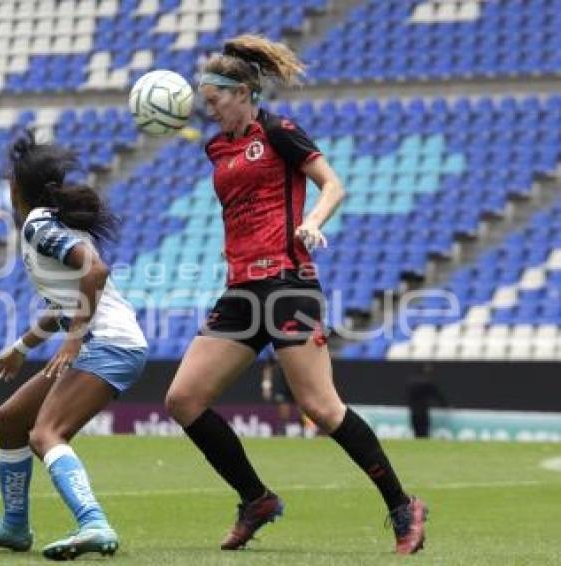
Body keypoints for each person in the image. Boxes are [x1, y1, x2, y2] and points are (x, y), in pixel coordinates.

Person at [163, 35, 428, 554]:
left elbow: (332, 184)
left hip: (288, 284)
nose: (208, 109)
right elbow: (241, 205)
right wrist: (233, 248)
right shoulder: (216, 146)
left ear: (241, 91)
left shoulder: (279, 130)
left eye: (214, 100)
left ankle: (402, 506)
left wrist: (311, 221)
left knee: (322, 408)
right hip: (241, 289)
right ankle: (256, 498)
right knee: (183, 400)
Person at [0, 132, 148, 560]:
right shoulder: (46, 225)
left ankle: (93, 522)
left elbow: (95, 272)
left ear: (15, 188)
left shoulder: (39, 225)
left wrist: (74, 339)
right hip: (107, 342)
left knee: (46, 433)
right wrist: (23, 346)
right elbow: (63, 300)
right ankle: (13, 526)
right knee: (10, 420)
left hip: (107, 344)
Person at [260, 347, 317, 438]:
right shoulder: (275, 350)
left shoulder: (298, 348)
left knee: (302, 409)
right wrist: (266, 386)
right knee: (283, 411)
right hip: (282, 385)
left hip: (297, 383)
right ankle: (282, 433)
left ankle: (304, 432)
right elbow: (268, 368)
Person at [407, 362, 447, 438]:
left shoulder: (411, 382)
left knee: (417, 432)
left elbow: (408, 396)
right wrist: (445, 405)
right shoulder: (427, 382)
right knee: (423, 432)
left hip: (413, 411)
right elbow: (437, 395)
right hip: (422, 411)